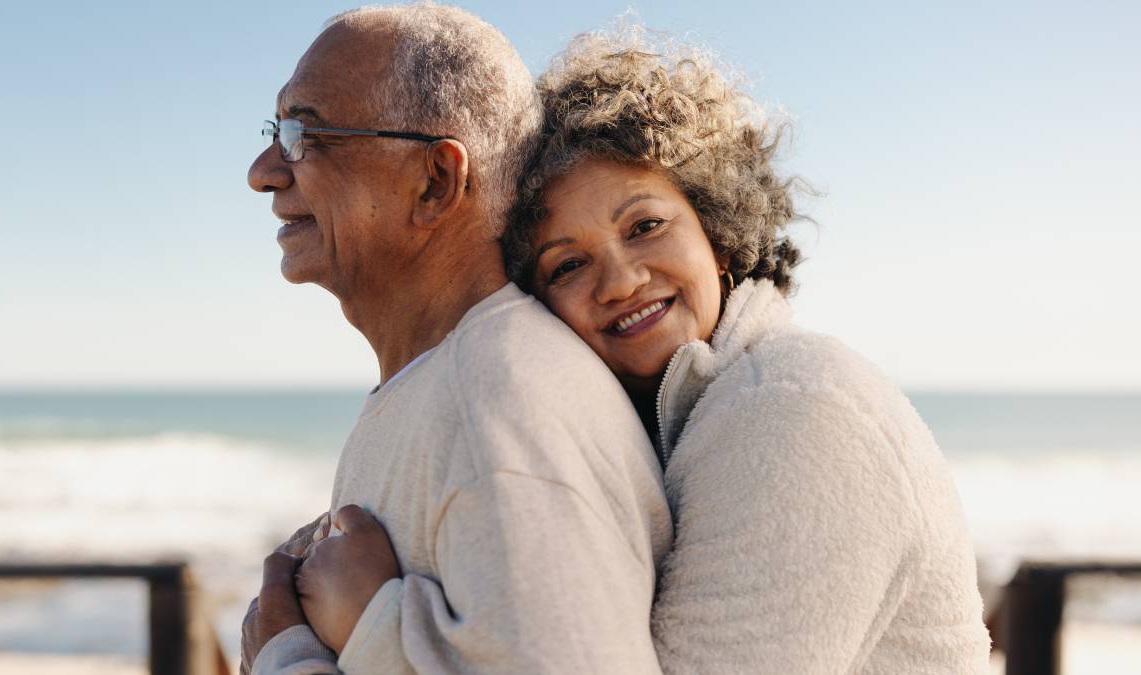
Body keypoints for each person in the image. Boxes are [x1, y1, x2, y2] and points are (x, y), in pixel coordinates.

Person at [498, 33, 992, 673]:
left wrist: (377, 622)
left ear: (720, 236)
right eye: (567, 263)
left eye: (645, 226)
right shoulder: (673, 421)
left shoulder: (791, 408)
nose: (619, 281)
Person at [241, 6, 672, 675]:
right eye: (277, 130)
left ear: (436, 182)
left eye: (305, 132)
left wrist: (285, 657)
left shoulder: (496, 403)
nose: (264, 170)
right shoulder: (457, 381)